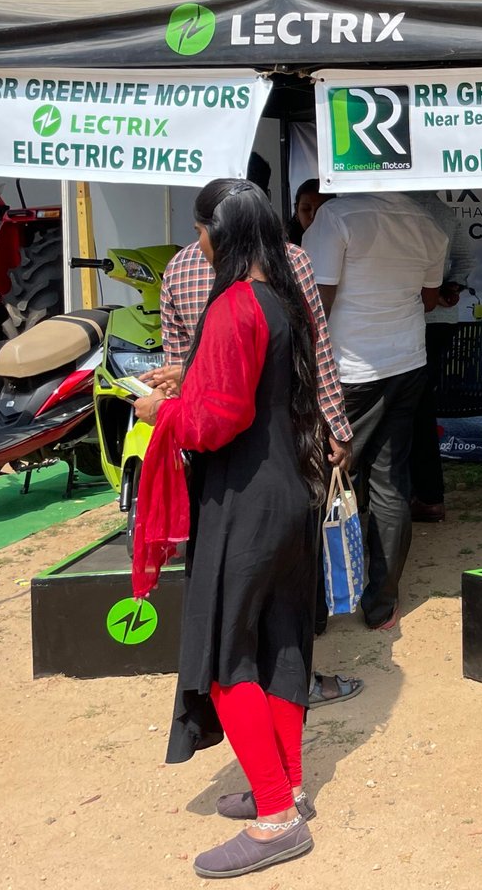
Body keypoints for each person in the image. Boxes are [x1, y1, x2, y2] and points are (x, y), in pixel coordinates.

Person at [131, 180, 328, 877]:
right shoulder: (283, 299)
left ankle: (275, 819)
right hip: (292, 491)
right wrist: (189, 383)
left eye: (200, 232)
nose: (198, 244)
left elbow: (217, 421)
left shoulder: (233, 305)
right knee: (281, 645)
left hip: (244, 500)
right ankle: (290, 789)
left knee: (224, 657)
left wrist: (161, 412)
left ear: (219, 234)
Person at [152, 153, 360, 708]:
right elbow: (316, 352)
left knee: (232, 580)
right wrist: (337, 427)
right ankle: (284, 679)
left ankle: (250, 678)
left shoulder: (181, 268)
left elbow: (182, 368)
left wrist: (169, 407)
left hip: (217, 456)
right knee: (285, 581)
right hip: (283, 441)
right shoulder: (291, 262)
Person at [303, 191, 449, 630]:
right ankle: (382, 605)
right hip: (406, 362)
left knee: (320, 480)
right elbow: (428, 299)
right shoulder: (426, 223)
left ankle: (313, 610)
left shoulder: (336, 216)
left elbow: (316, 303)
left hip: (348, 370)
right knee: (390, 484)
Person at [406, 190, 476, 523]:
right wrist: (452, 286)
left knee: (413, 408)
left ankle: (424, 495)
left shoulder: (392, 205)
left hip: (409, 318)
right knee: (419, 406)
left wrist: (446, 288)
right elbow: (466, 259)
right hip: (438, 319)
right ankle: (426, 495)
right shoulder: (443, 210)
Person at [290, 179, 333, 246]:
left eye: (321, 210)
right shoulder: (286, 247)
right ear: (297, 212)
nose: (313, 216)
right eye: (306, 209)